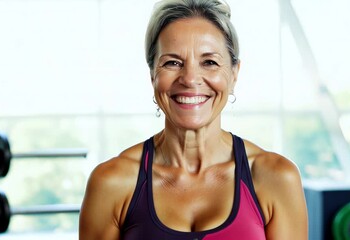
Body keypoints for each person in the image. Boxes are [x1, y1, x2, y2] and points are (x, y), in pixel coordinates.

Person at [79, 0, 308, 239]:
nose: (190, 79)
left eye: (209, 62)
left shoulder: (276, 178)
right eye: (172, 63)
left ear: (233, 74)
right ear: (152, 76)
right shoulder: (111, 183)